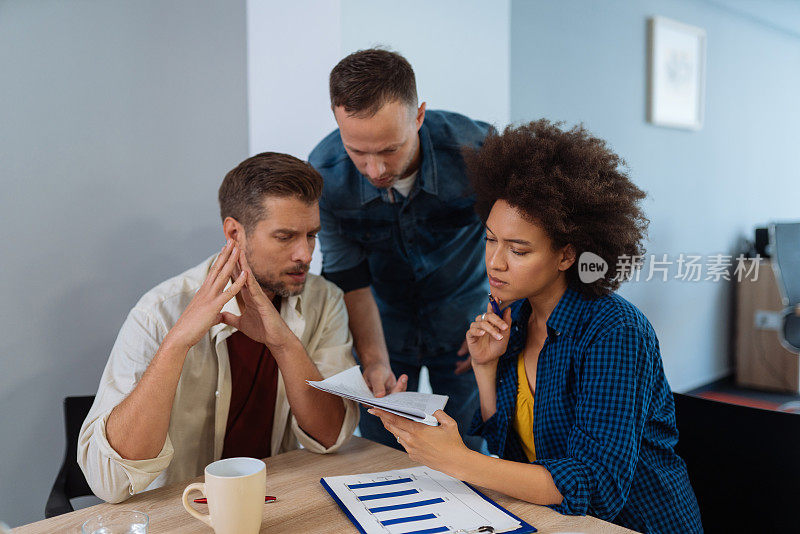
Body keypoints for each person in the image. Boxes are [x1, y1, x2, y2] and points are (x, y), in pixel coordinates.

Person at [369, 121, 703, 533]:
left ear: (566, 256)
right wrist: (485, 368)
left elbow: (595, 487)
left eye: (518, 249)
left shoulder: (614, 330)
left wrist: (456, 459)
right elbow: (511, 453)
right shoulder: (517, 317)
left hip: (635, 526)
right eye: (491, 240)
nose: (495, 261)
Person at [78, 153, 359, 503]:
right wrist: (177, 344)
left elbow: (331, 437)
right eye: (285, 237)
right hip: (179, 512)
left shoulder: (324, 301)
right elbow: (108, 482)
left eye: (312, 235)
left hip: (272, 503)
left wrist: (285, 345)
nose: (305, 254)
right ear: (234, 233)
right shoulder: (159, 312)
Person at [309, 48, 490, 451]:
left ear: (419, 116)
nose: (375, 170)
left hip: (466, 324)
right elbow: (348, 276)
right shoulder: (325, 174)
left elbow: (518, 241)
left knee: (470, 456)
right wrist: (373, 360)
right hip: (381, 328)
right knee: (381, 456)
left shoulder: (479, 151)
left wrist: (500, 313)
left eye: (390, 149)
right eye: (358, 151)